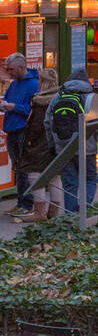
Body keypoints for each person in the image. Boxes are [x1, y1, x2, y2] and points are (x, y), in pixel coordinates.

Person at [45, 66, 98, 215]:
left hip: (64, 148)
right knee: (90, 179)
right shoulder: (92, 98)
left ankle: (71, 215)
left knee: (69, 183)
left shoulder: (58, 97)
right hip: (87, 148)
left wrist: (52, 145)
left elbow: (47, 122)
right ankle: (84, 208)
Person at [18, 67, 63, 223]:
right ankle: (54, 211)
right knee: (54, 176)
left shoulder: (40, 101)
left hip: (39, 145)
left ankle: (39, 212)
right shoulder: (59, 98)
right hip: (57, 145)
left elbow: (36, 128)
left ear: (42, 81)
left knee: (35, 175)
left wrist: (29, 141)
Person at [0, 53, 40, 217]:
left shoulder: (33, 84)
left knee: (24, 167)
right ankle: (21, 202)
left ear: (21, 67)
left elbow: (33, 109)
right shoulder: (14, 84)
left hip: (23, 130)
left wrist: (13, 107)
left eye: (12, 69)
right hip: (12, 128)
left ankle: (27, 203)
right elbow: (9, 100)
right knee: (18, 167)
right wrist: (4, 105)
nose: (9, 72)